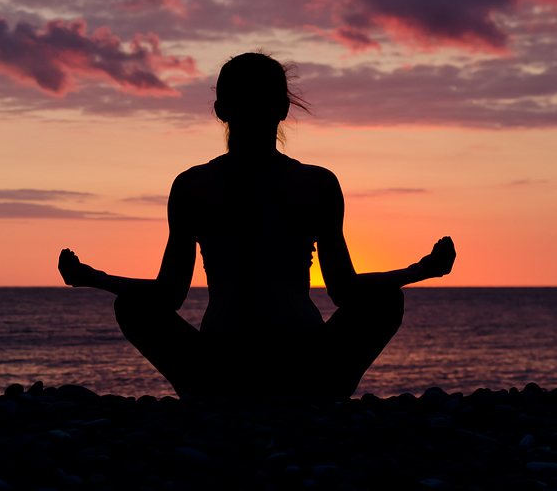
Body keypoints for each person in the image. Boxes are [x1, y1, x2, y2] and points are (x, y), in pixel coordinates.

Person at [58, 52, 456, 399]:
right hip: (306, 365)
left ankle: (217, 399)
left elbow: (167, 296)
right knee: (387, 297)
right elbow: (345, 291)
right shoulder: (316, 183)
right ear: (283, 109)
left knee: (131, 306)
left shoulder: (194, 184)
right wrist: (419, 271)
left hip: (220, 366)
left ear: (219, 110)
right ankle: (315, 399)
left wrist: (95, 278)